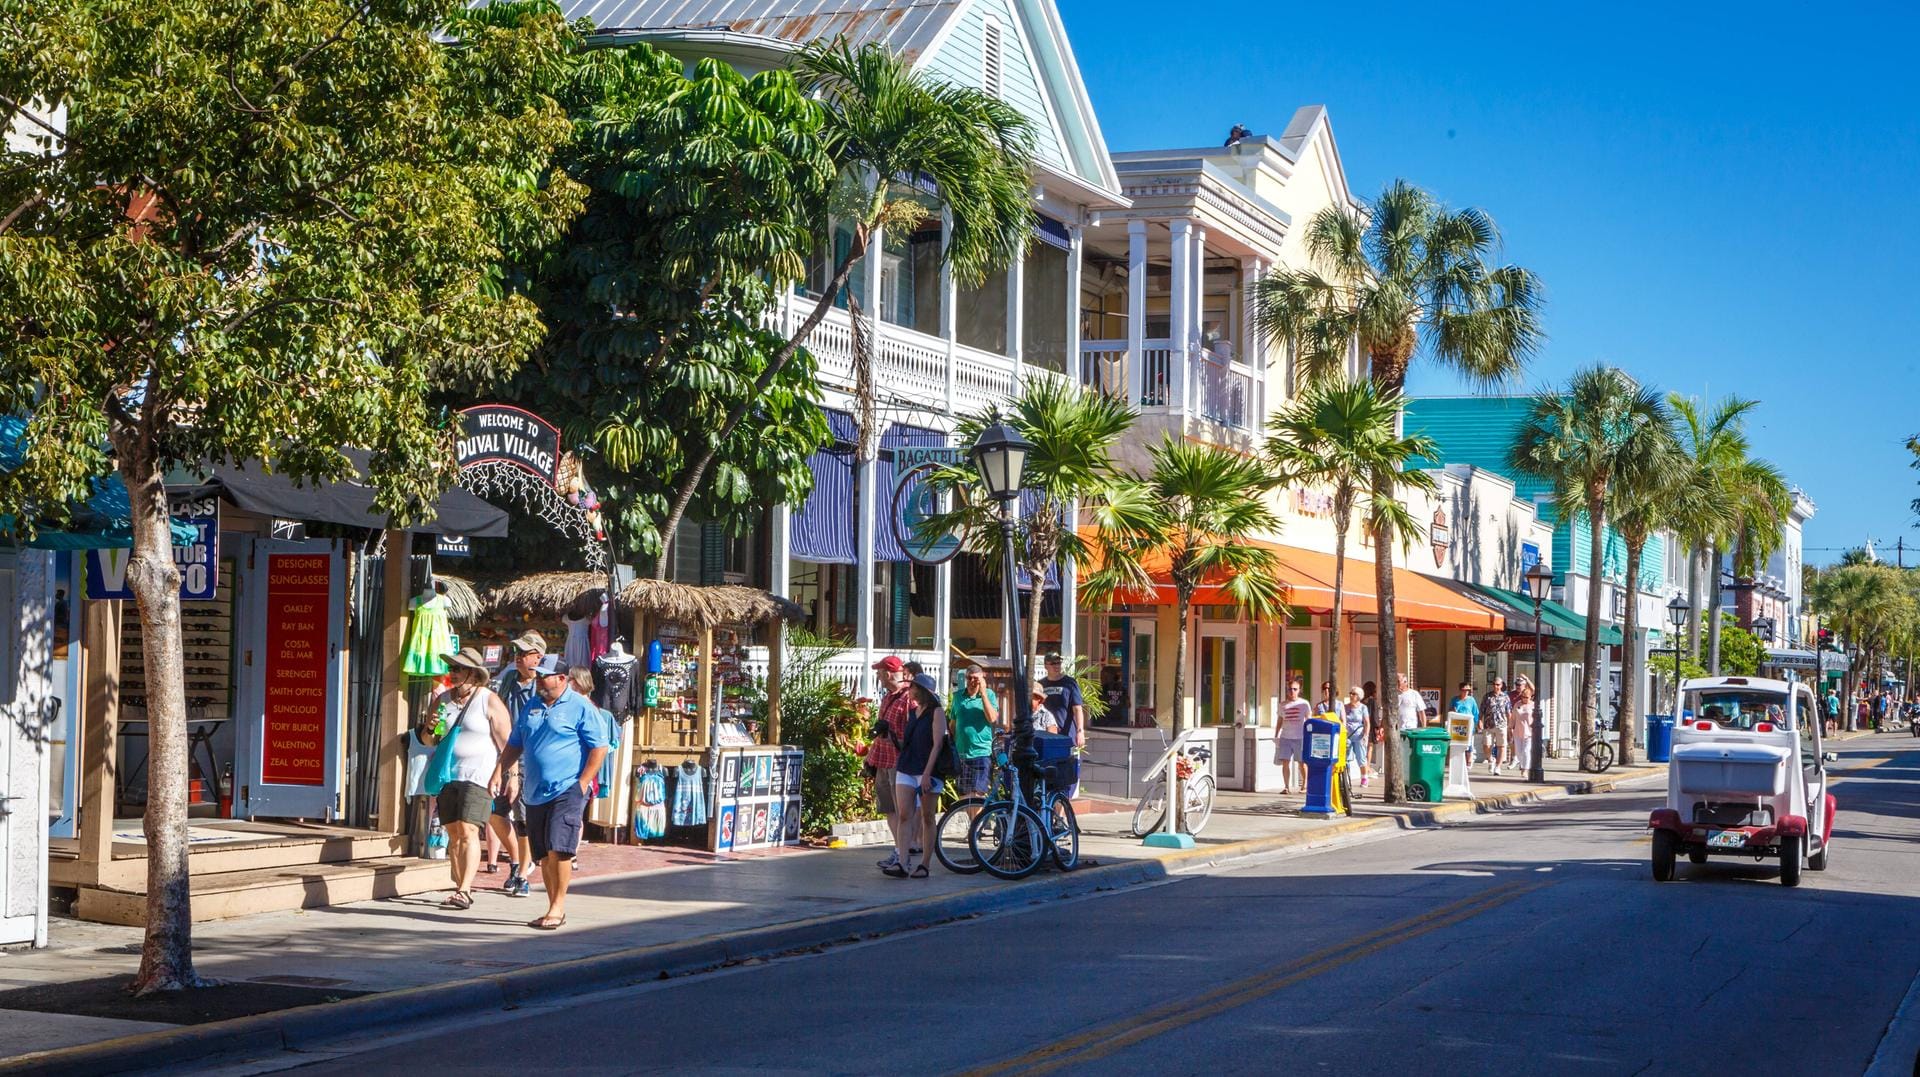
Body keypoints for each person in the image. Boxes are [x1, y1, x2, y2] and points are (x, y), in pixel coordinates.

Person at [492, 655, 608, 930]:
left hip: (567, 788)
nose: (540, 679)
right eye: (538, 674)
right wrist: (500, 770)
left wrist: (583, 783)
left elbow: (599, 747)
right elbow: (515, 742)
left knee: (560, 848)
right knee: (543, 854)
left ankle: (558, 907)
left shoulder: (580, 707)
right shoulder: (532, 705)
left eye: (545, 675)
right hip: (535, 791)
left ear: (562, 678)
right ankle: (551, 907)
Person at [422, 647, 512, 911]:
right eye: (451, 668)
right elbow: (429, 740)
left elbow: (507, 743)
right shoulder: (443, 700)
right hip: (448, 773)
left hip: (479, 774)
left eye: (458, 668)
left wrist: (507, 774)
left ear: (473, 673)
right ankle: (459, 883)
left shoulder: (489, 700)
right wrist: (430, 727)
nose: (453, 673)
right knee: (453, 832)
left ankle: (464, 890)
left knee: (469, 829)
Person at [490, 631, 545, 896]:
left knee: (523, 817)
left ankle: (524, 872)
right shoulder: (508, 679)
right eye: (516, 653)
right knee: (495, 813)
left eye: (524, 654)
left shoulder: (545, 686)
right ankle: (515, 861)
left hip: (528, 760)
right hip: (502, 755)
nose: (518, 658)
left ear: (538, 657)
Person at [885, 673, 947, 879]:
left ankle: (925, 864)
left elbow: (937, 744)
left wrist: (928, 773)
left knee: (927, 817)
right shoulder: (913, 712)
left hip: (927, 770)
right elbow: (907, 741)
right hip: (907, 767)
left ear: (923, 691)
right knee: (904, 814)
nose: (910, 691)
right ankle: (902, 861)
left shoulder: (936, 712)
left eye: (913, 688)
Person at [866, 656, 913, 872]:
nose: (877, 675)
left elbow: (913, 732)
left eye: (879, 672)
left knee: (901, 809)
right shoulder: (888, 697)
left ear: (887, 673)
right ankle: (897, 850)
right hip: (882, 759)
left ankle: (904, 854)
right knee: (889, 809)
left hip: (898, 761)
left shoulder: (909, 698)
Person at [949, 664, 1001, 808]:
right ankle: (975, 827)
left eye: (976, 678)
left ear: (982, 679)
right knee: (965, 797)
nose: (972, 681)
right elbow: (953, 723)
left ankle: (976, 827)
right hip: (962, 753)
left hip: (981, 752)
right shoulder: (958, 696)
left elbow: (992, 718)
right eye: (969, 678)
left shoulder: (989, 694)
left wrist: (983, 693)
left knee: (977, 795)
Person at [1038, 653, 1086, 751]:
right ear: (1046, 665)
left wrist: (1080, 731)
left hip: (1066, 735)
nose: (1056, 666)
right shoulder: (1040, 685)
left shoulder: (1070, 683)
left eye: (1058, 663)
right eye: (1053, 663)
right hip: (1046, 735)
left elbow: (1077, 709)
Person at [1275, 679, 1309, 794]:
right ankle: (1286, 786)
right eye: (1290, 689)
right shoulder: (1282, 705)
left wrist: (1309, 735)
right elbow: (1280, 720)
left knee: (1301, 762)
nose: (1292, 691)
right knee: (1285, 762)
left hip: (1300, 737)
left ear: (1299, 690)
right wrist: (1276, 735)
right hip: (1285, 737)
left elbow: (1308, 720)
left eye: (1295, 689)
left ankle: (1304, 785)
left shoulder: (1304, 704)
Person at [1342, 685, 1371, 787]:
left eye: (1353, 694)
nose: (1351, 695)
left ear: (1358, 696)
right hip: (1347, 736)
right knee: (1346, 759)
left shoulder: (1363, 708)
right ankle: (1346, 779)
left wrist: (1365, 735)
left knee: (1361, 758)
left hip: (1359, 736)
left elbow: (1367, 722)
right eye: (1350, 693)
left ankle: (1364, 778)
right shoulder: (1345, 707)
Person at [1481, 677, 1512, 775]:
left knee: (1501, 746)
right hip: (1488, 724)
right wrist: (1479, 721)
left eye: (1498, 684)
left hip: (1501, 724)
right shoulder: (1487, 696)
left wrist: (1511, 726)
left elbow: (1509, 712)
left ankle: (1498, 767)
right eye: (1494, 684)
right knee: (1487, 745)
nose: (1496, 686)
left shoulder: (1505, 697)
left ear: (1501, 685)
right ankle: (1491, 760)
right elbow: (1482, 710)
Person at [1511, 677, 1536, 774]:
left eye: (1527, 697)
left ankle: (1525, 769)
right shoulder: (1517, 704)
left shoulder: (1533, 705)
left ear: (1530, 697)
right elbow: (1513, 717)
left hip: (1529, 732)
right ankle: (1522, 765)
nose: (1525, 699)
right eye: (1523, 697)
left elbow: (1537, 718)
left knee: (1526, 751)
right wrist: (1510, 728)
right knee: (1518, 752)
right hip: (1518, 731)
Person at [1451, 682, 1479, 763]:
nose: (1466, 692)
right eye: (1464, 690)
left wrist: (1477, 723)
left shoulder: (1471, 700)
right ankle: (1459, 761)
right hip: (1457, 724)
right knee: (1459, 743)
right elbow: (1450, 710)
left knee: (1469, 743)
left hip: (1469, 724)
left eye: (1468, 690)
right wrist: (1453, 710)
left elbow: (1475, 712)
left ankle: (1469, 761)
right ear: (1460, 690)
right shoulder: (1455, 700)